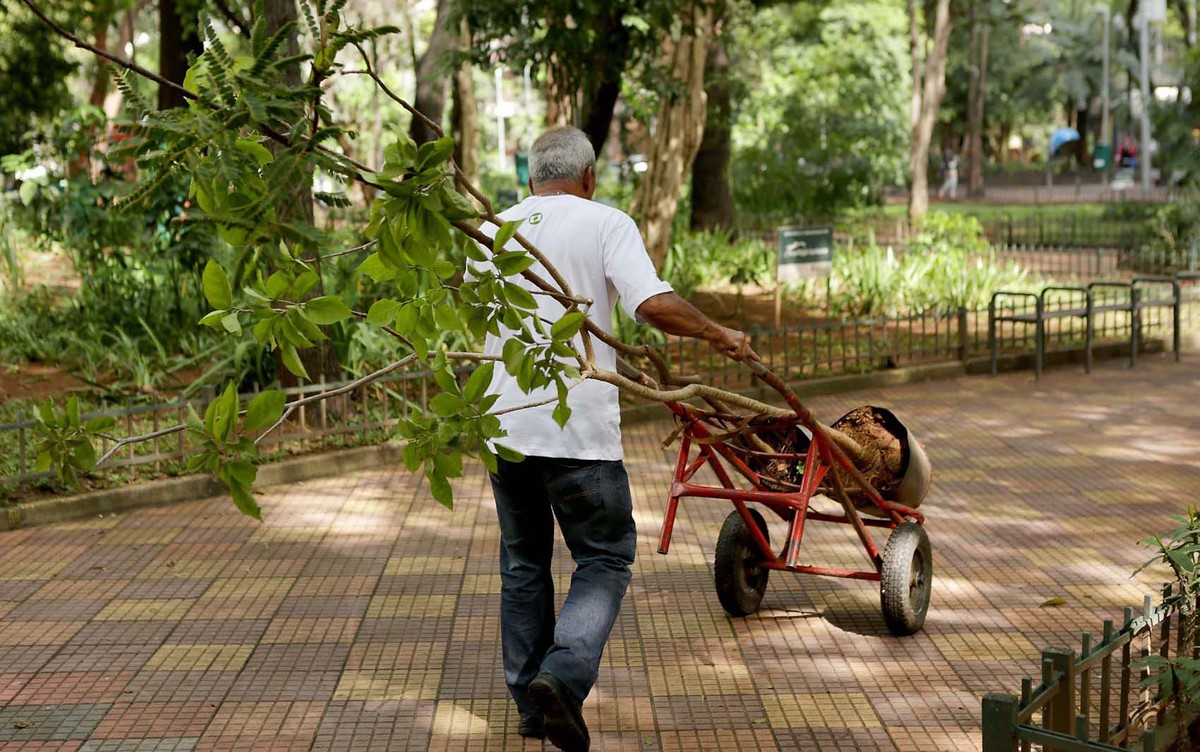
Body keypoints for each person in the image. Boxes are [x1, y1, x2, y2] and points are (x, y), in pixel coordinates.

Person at [469, 126, 757, 752]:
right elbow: (650, 305)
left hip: (503, 427)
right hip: (576, 433)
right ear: (589, 177)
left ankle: (529, 705)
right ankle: (563, 678)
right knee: (604, 558)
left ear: (530, 178)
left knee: (523, 565)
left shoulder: (493, 231)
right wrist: (717, 333)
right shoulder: (605, 222)